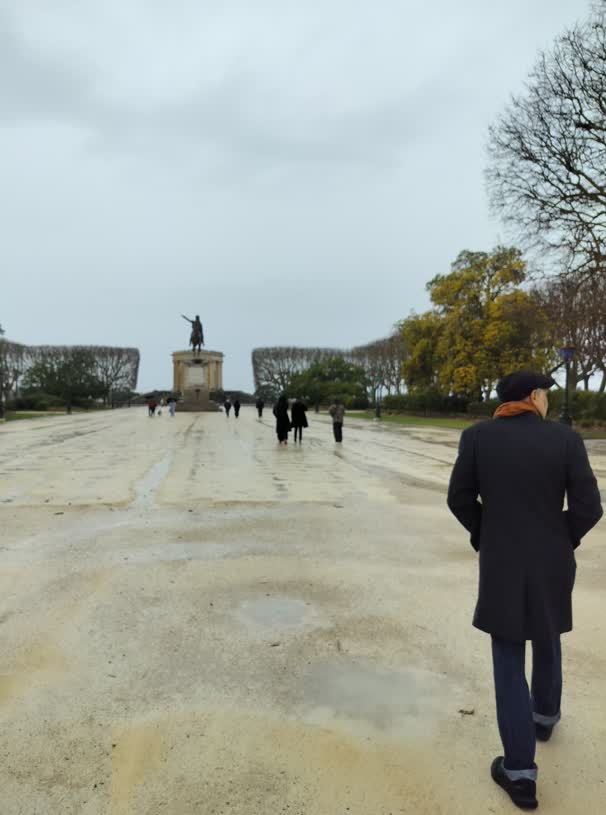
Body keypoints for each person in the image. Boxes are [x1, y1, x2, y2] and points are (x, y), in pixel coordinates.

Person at [447, 371, 602, 811]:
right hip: (553, 558)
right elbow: (590, 508)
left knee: (509, 656)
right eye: (546, 395)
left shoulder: (477, 437)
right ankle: (544, 716)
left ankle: (519, 773)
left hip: (503, 562)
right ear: (534, 396)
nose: (548, 402)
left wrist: (486, 534)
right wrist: (560, 537)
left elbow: (459, 498)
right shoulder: (565, 440)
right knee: (548, 632)